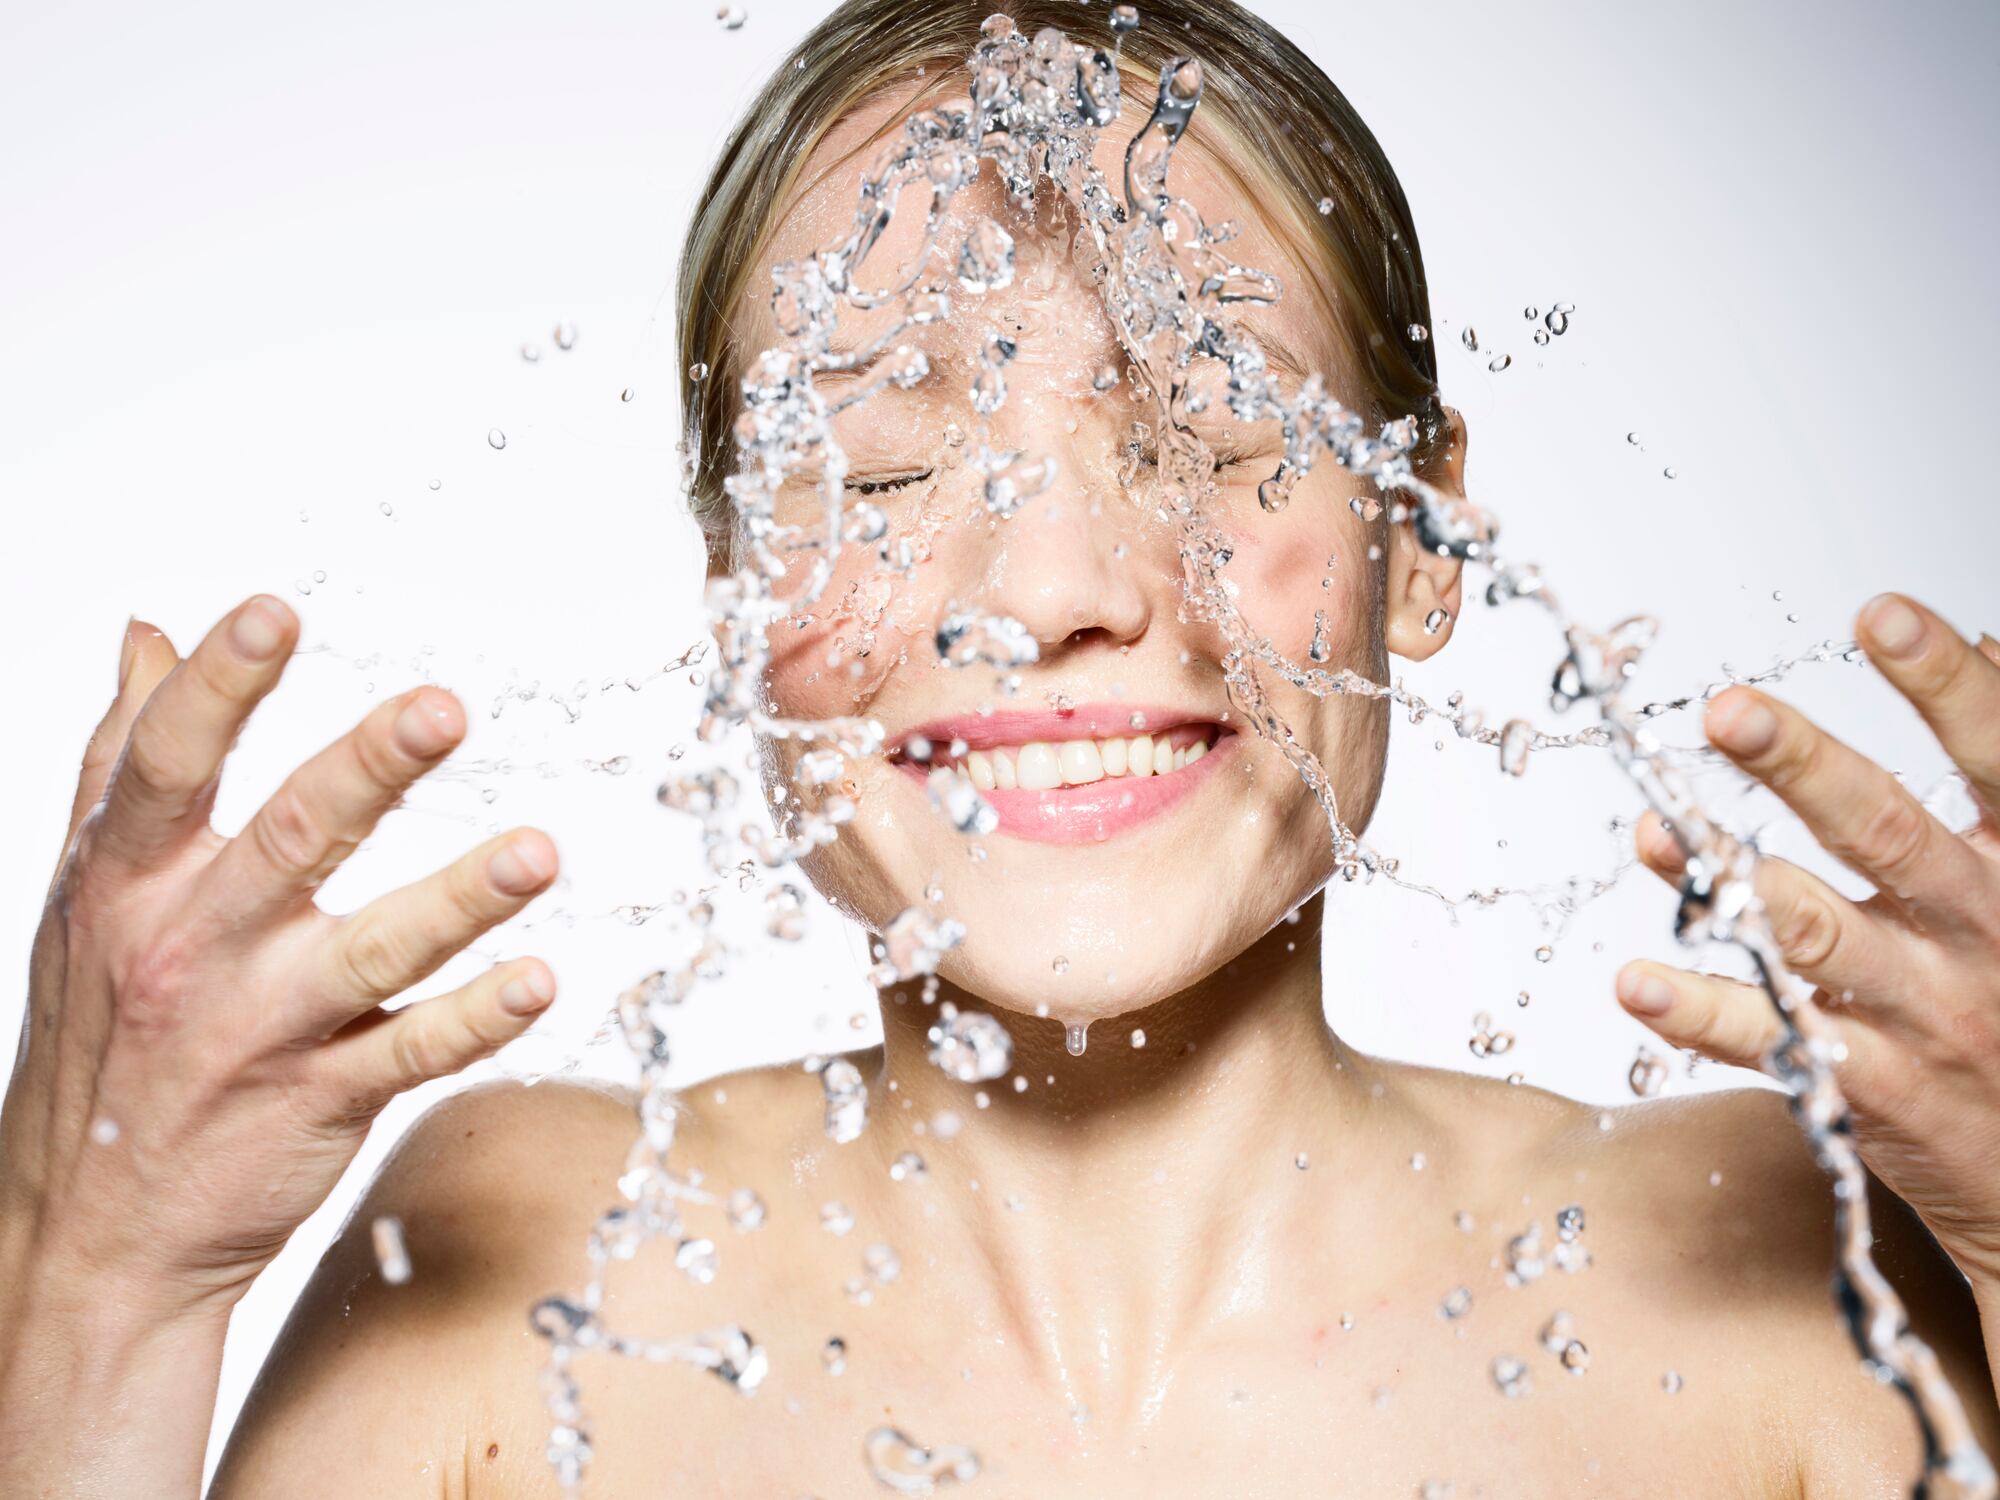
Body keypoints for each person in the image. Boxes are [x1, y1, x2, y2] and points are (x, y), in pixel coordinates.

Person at [4, 1, 1997, 1495]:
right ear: (728, 577)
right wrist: (95, 1286)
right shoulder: (523, 1259)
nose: (1046, 584)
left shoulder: (1780, 1269)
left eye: (1207, 434)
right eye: (873, 468)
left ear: (1424, 533)